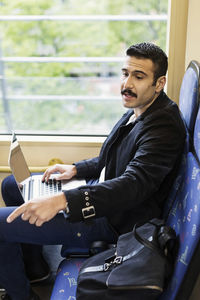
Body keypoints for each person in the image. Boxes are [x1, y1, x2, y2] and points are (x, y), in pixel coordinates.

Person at [0, 42, 186, 300]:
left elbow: (132, 184)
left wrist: (63, 200)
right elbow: (113, 155)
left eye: (138, 76)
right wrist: (75, 170)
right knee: (11, 185)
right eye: (125, 73)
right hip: (102, 195)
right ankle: (36, 270)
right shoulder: (142, 108)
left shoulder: (163, 127)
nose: (127, 83)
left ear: (159, 82)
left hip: (113, 219)